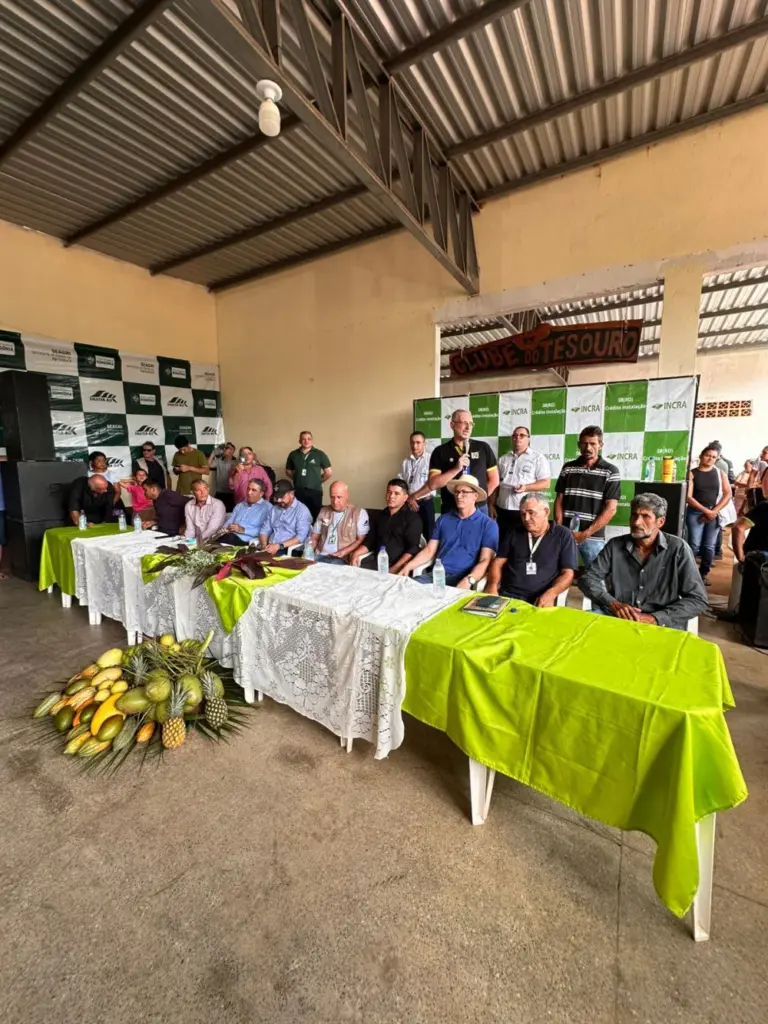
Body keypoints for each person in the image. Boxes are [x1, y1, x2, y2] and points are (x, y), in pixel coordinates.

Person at [581, 493, 708, 629]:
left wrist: (655, 618)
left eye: (645, 516)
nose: (636, 522)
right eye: (634, 515)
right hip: (618, 618)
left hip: (661, 625)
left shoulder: (678, 549)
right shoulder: (615, 545)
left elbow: (697, 599)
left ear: (660, 522)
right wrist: (612, 603)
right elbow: (588, 578)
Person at [398, 474, 498, 588]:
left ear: (475, 496)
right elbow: (429, 550)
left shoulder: (488, 525)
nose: (459, 496)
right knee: (406, 588)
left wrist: (470, 579)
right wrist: (407, 567)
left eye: (464, 492)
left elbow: (485, 560)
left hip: (463, 577)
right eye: (457, 492)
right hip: (437, 574)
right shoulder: (443, 519)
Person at [486, 494, 576, 606]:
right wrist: (492, 586)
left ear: (546, 512)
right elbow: (498, 562)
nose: (526, 519)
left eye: (531, 513)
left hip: (539, 598)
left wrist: (551, 594)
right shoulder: (513, 531)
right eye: (523, 514)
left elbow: (568, 573)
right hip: (507, 595)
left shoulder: (563, 535)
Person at [554, 426, 620, 566]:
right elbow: (559, 500)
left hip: (592, 537)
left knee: (596, 579)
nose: (588, 448)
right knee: (558, 574)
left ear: (600, 445)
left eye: (593, 444)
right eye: (584, 443)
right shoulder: (568, 468)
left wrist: (585, 534)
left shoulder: (610, 471)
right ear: (579, 445)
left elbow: (611, 508)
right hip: (565, 535)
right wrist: (559, 529)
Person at [411, 409, 498, 515]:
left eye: (470, 423)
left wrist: (476, 498)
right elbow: (433, 484)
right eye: (464, 423)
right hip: (451, 509)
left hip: (479, 509)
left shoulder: (483, 448)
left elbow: (494, 480)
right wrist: (456, 469)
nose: (468, 427)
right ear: (452, 425)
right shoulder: (440, 451)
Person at [489, 426, 550, 542]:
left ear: (529, 439)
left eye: (522, 435)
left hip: (524, 512)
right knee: (502, 543)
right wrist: (491, 504)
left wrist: (526, 487)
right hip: (502, 511)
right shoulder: (503, 459)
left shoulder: (538, 458)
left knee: (522, 544)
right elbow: (495, 484)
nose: (518, 438)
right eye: (515, 435)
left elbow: (546, 483)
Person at [351, 479, 423, 573]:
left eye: (396, 493)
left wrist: (394, 569)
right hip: (376, 562)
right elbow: (371, 540)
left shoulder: (412, 519)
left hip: (400, 566)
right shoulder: (380, 516)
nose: (391, 496)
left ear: (405, 498)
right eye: (389, 492)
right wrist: (356, 554)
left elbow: (412, 549)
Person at [686, 445, 732, 584]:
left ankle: (703, 574)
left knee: (709, 545)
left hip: (715, 512)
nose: (710, 458)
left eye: (713, 457)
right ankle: (690, 575)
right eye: (707, 455)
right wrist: (707, 511)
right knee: (694, 544)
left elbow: (728, 493)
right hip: (695, 512)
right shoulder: (692, 473)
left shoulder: (719, 473)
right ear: (701, 456)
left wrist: (714, 511)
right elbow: (688, 497)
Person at [310, 482, 370, 564]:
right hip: (320, 555)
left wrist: (344, 552)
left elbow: (361, 540)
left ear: (347, 495)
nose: (335, 501)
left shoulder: (359, 513)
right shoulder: (323, 511)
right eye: (332, 497)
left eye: (339, 497)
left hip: (342, 558)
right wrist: (308, 553)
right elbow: (314, 537)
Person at [285, 431, 332, 522]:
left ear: (312, 441)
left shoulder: (320, 454)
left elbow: (328, 472)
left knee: (315, 515)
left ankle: (314, 536)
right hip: (299, 491)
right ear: (299, 441)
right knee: (299, 515)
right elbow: (288, 472)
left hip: (315, 491)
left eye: (309, 439)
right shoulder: (293, 454)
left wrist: (318, 480)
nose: (306, 441)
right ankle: (301, 535)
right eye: (303, 439)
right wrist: (298, 479)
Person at [259, 479, 313, 555]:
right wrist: (264, 546)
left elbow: (300, 537)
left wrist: (278, 546)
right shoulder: (274, 509)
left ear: (291, 494)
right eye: (276, 497)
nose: (278, 500)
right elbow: (264, 530)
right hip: (270, 547)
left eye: (281, 497)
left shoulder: (302, 510)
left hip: (289, 550)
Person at [401, 431, 435, 542]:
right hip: (410, 504)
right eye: (412, 442)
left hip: (425, 503)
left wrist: (413, 497)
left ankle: (429, 559)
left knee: (429, 535)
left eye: (418, 442)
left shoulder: (431, 460)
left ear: (424, 443)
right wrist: (409, 499)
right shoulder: (406, 462)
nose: (414, 446)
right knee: (411, 534)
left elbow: (431, 484)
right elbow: (403, 483)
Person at [217, 479, 271, 545]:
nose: (249, 492)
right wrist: (223, 530)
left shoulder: (267, 508)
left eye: (253, 490)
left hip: (245, 540)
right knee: (211, 542)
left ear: (261, 494)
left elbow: (265, 530)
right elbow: (229, 521)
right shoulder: (240, 505)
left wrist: (243, 530)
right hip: (228, 535)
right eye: (248, 489)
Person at [184, 479, 227, 544]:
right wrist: (187, 541)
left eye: (205, 489)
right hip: (196, 540)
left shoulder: (217, 504)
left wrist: (196, 541)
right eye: (198, 490)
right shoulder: (189, 505)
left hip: (215, 540)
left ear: (208, 489)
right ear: (192, 492)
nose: (203, 492)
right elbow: (190, 529)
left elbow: (212, 529)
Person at [730, 499, 768, 566]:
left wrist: (740, 557)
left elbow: (738, 528)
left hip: (757, 558)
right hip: (759, 559)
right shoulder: (765, 506)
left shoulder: (765, 506)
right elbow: (738, 528)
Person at [208, 442, 236, 511]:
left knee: (230, 514)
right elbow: (207, 466)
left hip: (232, 493)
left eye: (229, 448)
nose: (226, 450)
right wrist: (213, 454)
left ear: (232, 451)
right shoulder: (218, 461)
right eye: (225, 448)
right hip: (219, 492)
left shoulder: (236, 462)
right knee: (217, 512)